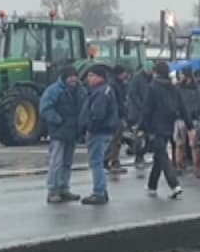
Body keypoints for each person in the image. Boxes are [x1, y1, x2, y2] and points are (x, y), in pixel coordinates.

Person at [138, 61, 185, 199]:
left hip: (155, 126)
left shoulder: (152, 87)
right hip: (169, 125)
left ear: (156, 72)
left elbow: (147, 109)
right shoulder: (174, 88)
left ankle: (174, 184)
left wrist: (141, 127)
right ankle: (152, 185)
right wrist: (190, 125)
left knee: (163, 156)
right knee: (159, 155)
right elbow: (182, 106)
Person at [39, 68, 83, 203]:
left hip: (72, 132)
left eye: (75, 76)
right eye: (70, 77)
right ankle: (53, 190)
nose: (73, 79)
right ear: (64, 78)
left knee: (67, 163)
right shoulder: (54, 90)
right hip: (59, 132)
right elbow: (45, 108)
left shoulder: (80, 91)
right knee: (56, 162)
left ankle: (64, 188)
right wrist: (58, 120)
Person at [80, 65, 119, 206]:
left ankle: (99, 192)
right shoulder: (106, 90)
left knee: (96, 162)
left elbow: (98, 114)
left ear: (99, 77)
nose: (88, 79)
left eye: (91, 76)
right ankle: (102, 190)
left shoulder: (100, 93)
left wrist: (90, 127)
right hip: (106, 130)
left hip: (98, 131)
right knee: (99, 161)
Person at [127, 63, 154, 173]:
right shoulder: (137, 79)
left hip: (149, 112)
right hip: (138, 113)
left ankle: (144, 153)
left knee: (148, 137)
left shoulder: (152, 79)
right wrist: (142, 105)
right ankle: (138, 157)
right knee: (139, 136)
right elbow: (132, 94)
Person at [175, 70, 200, 172]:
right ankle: (195, 168)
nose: (180, 76)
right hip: (190, 119)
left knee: (181, 144)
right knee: (193, 145)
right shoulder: (195, 89)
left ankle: (181, 166)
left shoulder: (178, 89)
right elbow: (199, 104)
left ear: (187, 76)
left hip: (183, 119)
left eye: (181, 74)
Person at [105, 67, 131, 174]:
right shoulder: (114, 85)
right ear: (119, 74)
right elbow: (117, 102)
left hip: (118, 115)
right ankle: (112, 161)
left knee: (116, 140)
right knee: (115, 141)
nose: (126, 75)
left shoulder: (118, 84)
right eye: (124, 73)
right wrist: (122, 114)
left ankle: (111, 160)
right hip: (117, 116)